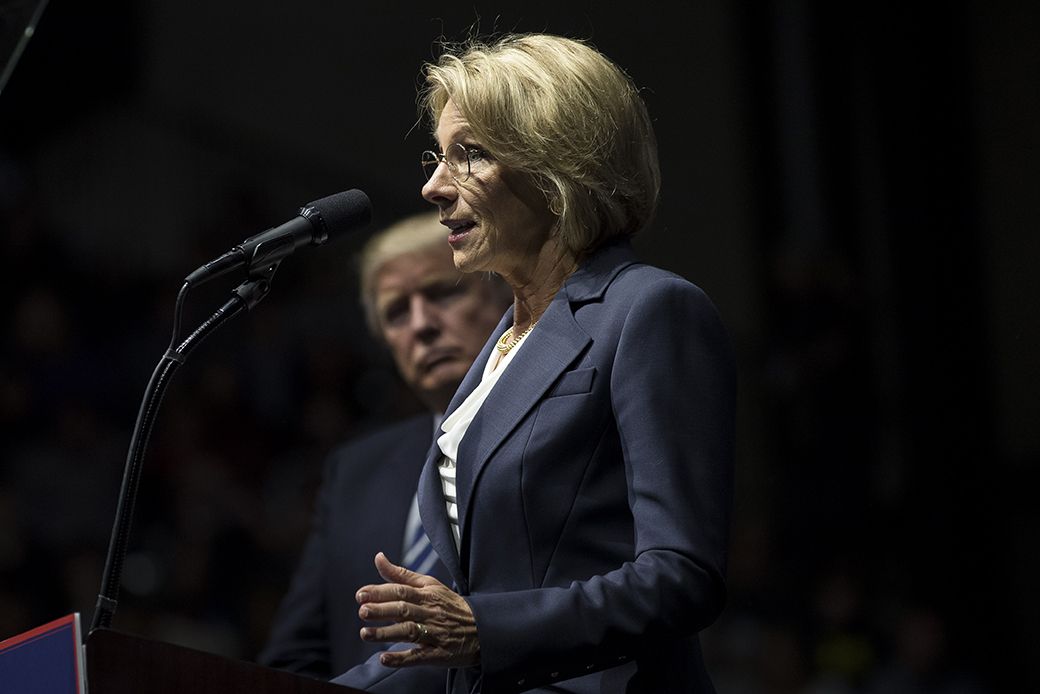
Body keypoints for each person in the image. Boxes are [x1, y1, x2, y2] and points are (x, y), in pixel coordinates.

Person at [334, 33, 737, 693]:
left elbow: (681, 576)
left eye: (469, 155)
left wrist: (484, 629)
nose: (434, 185)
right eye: (438, 157)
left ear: (558, 168)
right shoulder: (495, 351)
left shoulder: (650, 311)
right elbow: (449, 636)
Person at [258, 211, 512, 682]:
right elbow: (295, 657)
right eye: (397, 312)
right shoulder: (354, 469)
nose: (421, 325)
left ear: (504, 295)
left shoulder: (556, 427)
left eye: (442, 292)